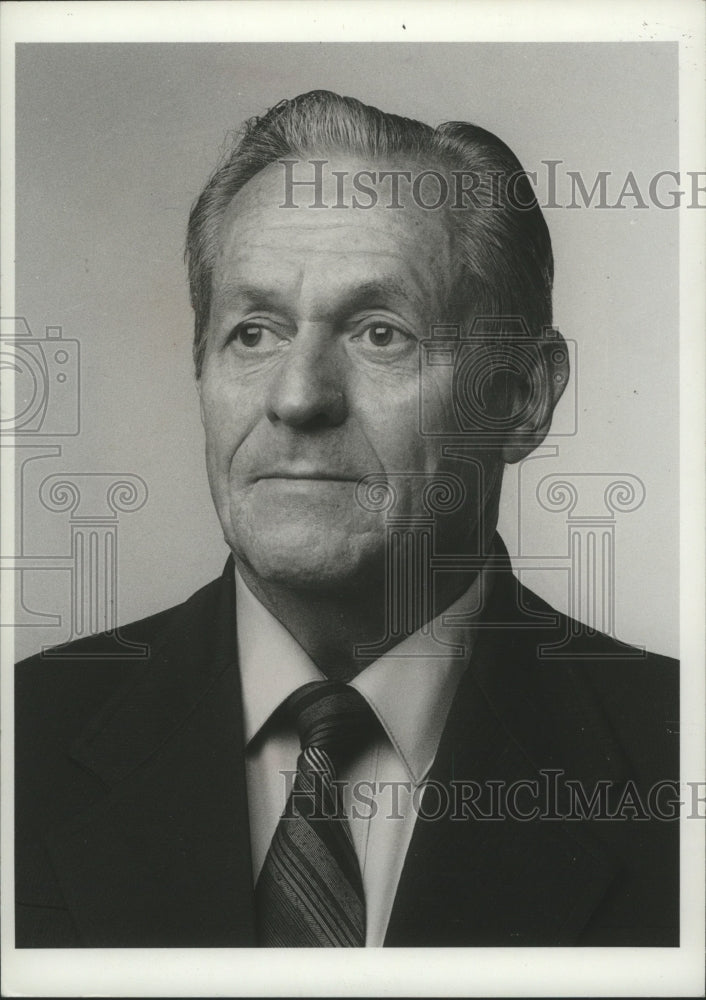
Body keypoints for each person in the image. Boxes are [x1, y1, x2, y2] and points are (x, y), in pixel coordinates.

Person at [15, 90, 678, 948]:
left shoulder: (674, 754)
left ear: (521, 398)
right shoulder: (22, 735)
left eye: (379, 333)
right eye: (253, 333)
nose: (298, 398)